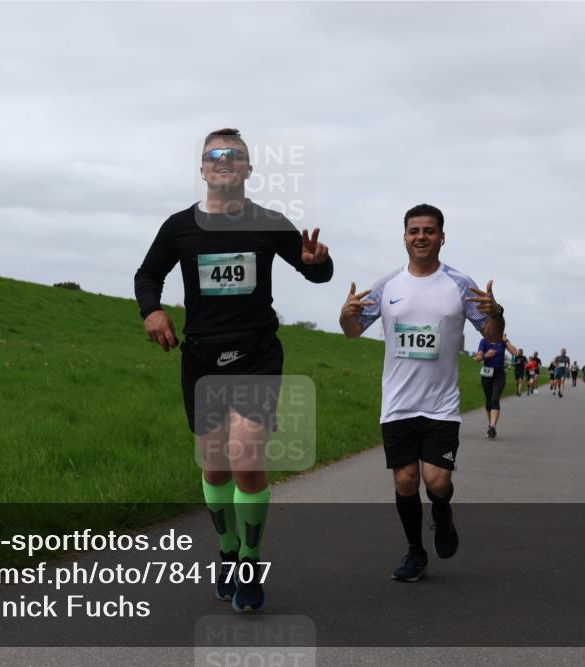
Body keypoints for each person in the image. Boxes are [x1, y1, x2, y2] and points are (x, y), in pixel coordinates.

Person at [134, 128, 334, 612]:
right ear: (202, 168)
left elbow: (314, 270)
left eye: (234, 155)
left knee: (245, 458)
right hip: (201, 358)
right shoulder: (178, 227)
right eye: (214, 155)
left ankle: (248, 560)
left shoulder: (268, 223)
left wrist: (315, 264)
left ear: (248, 169)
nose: (224, 161)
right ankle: (226, 550)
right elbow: (147, 275)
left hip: (256, 355)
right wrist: (151, 310)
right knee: (214, 464)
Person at [340, 203, 504, 582]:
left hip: (440, 405)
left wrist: (496, 313)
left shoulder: (461, 285)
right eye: (414, 231)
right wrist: (346, 314)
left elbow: (492, 335)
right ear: (404, 237)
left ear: (442, 237)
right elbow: (351, 330)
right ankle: (415, 552)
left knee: (437, 481)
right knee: (405, 481)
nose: (421, 237)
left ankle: (442, 513)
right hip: (397, 403)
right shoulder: (388, 287)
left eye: (429, 231)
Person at [476, 335, 508, 438]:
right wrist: (486, 355)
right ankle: (491, 426)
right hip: (487, 374)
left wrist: (506, 341)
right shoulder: (484, 341)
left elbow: (515, 352)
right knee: (488, 401)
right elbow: (478, 359)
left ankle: (493, 426)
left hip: (499, 374)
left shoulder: (502, 341)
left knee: (495, 398)